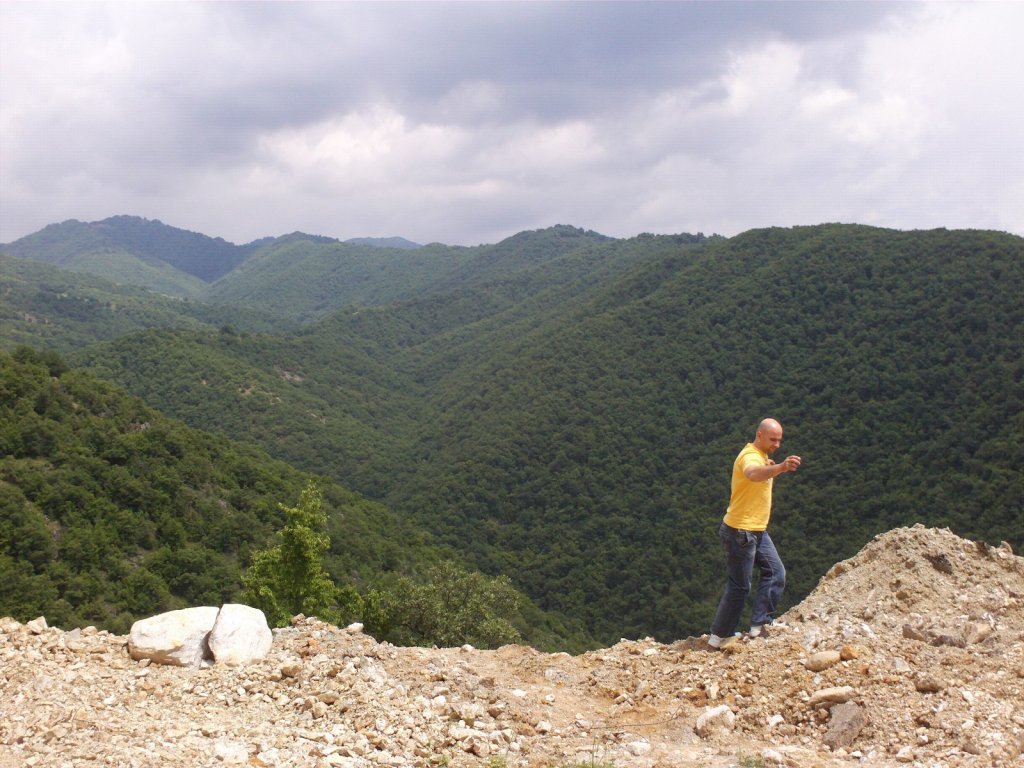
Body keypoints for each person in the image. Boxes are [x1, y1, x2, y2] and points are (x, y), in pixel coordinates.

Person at [708, 418, 801, 649]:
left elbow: (760, 472)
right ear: (759, 435)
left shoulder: (761, 456)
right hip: (741, 531)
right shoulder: (749, 456)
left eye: (780, 440)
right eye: (773, 439)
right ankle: (719, 637)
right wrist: (780, 468)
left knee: (776, 572)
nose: (777, 444)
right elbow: (751, 473)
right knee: (740, 586)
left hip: (757, 530)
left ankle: (760, 627)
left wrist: (772, 466)